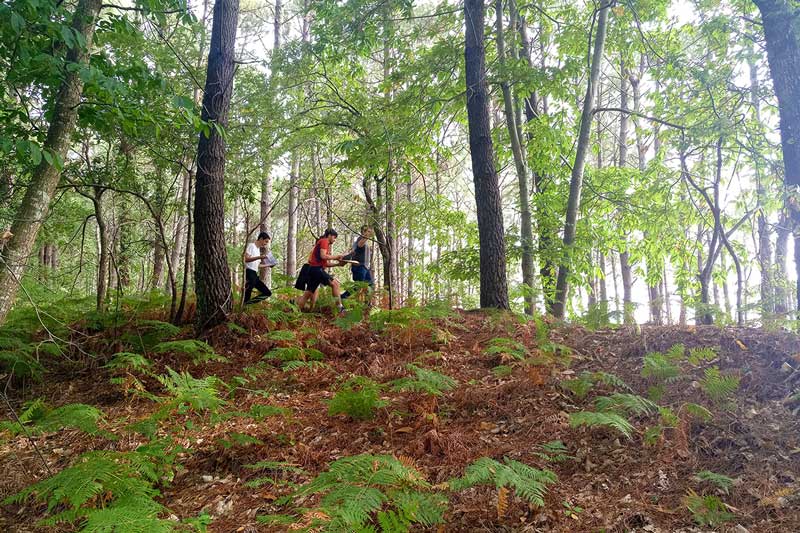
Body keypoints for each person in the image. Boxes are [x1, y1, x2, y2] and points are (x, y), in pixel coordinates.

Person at [295, 228, 345, 313]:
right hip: (316, 270)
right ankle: (340, 309)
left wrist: (338, 264)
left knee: (308, 294)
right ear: (329, 235)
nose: (334, 240)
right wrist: (337, 257)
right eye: (334, 237)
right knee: (335, 284)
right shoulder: (324, 241)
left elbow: (325, 263)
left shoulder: (324, 244)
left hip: (314, 270)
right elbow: (323, 256)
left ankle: (295, 312)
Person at [342, 225, 374, 300]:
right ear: (363, 232)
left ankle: (366, 305)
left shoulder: (364, 241)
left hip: (364, 267)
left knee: (369, 285)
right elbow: (359, 245)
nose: (369, 233)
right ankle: (343, 297)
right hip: (359, 267)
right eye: (368, 231)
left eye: (370, 231)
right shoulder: (360, 239)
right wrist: (366, 236)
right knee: (358, 286)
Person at [243, 232, 273, 305]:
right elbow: (246, 259)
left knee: (267, 293)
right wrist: (260, 257)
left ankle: (248, 304)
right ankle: (244, 307)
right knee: (247, 293)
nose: (266, 244)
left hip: (254, 274)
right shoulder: (251, 246)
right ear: (261, 239)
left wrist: (268, 265)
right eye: (266, 241)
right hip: (249, 272)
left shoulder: (257, 250)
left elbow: (257, 265)